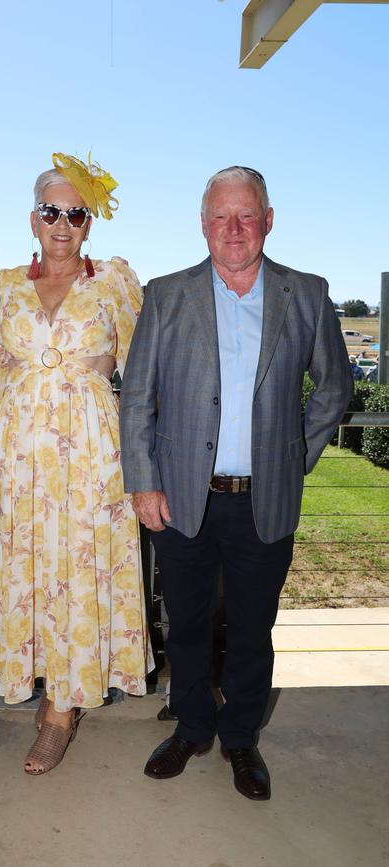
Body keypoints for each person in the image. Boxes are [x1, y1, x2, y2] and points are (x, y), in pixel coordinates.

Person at [119, 166, 352, 800]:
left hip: (265, 500)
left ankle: (241, 738)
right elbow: (137, 396)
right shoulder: (166, 295)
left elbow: (334, 387)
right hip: (182, 498)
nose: (234, 228)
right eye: (221, 216)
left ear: (268, 221)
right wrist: (142, 481)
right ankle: (192, 727)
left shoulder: (304, 294)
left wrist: (294, 457)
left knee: (253, 627)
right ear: (203, 225)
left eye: (246, 215)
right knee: (187, 624)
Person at [0, 153, 153, 774]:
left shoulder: (115, 284)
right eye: (51, 211)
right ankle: (39, 680)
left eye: (76, 213)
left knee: (78, 570)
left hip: (91, 457)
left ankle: (61, 711)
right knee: (29, 565)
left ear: (88, 223)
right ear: (33, 218)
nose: (62, 222)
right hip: (20, 458)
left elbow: (145, 372)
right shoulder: (4, 287)